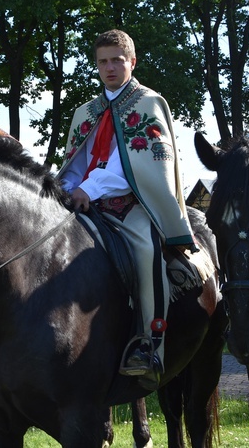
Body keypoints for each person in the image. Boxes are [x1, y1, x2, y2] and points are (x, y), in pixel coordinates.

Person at [57, 29, 195, 390]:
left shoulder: (148, 103)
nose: (110, 67)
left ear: (132, 62)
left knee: (147, 253)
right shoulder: (85, 112)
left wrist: (91, 187)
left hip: (131, 203)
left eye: (117, 59)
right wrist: (68, 190)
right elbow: (74, 163)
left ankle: (150, 346)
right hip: (85, 202)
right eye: (103, 61)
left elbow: (137, 166)